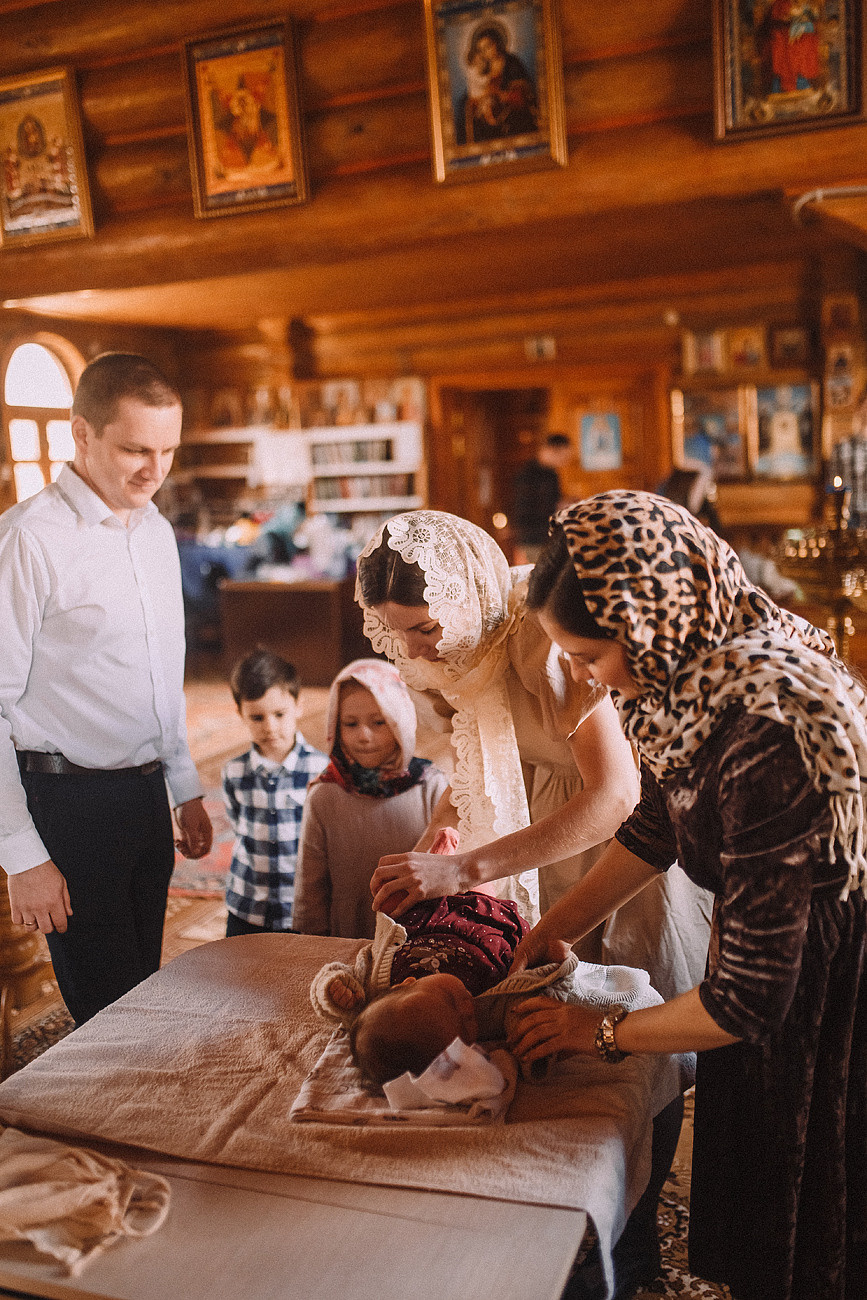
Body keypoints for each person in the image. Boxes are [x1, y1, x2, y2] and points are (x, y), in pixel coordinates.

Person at [507, 490, 867, 1300]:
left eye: (587, 655)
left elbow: (744, 1003)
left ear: (647, 625)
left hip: (819, 984)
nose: (578, 676)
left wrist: (594, 1029)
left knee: (808, 1213)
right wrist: (554, 928)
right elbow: (659, 826)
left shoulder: (768, 733)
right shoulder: (684, 682)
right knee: (752, 1188)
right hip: (766, 960)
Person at [0, 352, 213, 1026]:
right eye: (134, 449)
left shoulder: (152, 529)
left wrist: (184, 786)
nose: (155, 470)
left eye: (168, 450)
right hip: (69, 805)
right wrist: (23, 857)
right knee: (107, 1014)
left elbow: (159, 667)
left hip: (145, 795)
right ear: (81, 435)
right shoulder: (27, 541)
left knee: (143, 988)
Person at [294, 659, 449, 939]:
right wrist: (310, 939)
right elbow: (310, 884)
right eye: (350, 724)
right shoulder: (324, 795)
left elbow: (448, 866)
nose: (364, 736)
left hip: (418, 932)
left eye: (379, 722)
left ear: (401, 721)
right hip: (346, 934)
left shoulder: (431, 787)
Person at [222, 649, 328, 938]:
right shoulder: (234, 772)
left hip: (301, 908)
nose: (270, 727)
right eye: (257, 717)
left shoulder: (321, 770)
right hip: (247, 906)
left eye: (279, 714)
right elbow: (237, 823)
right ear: (240, 713)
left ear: (298, 706)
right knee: (238, 975)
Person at [511, 431, 572, 564]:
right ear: (554, 450)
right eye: (564, 456)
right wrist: (559, 506)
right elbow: (527, 509)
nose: (565, 461)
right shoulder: (528, 474)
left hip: (546, 536)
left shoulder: (551, 474)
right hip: (534, 538)